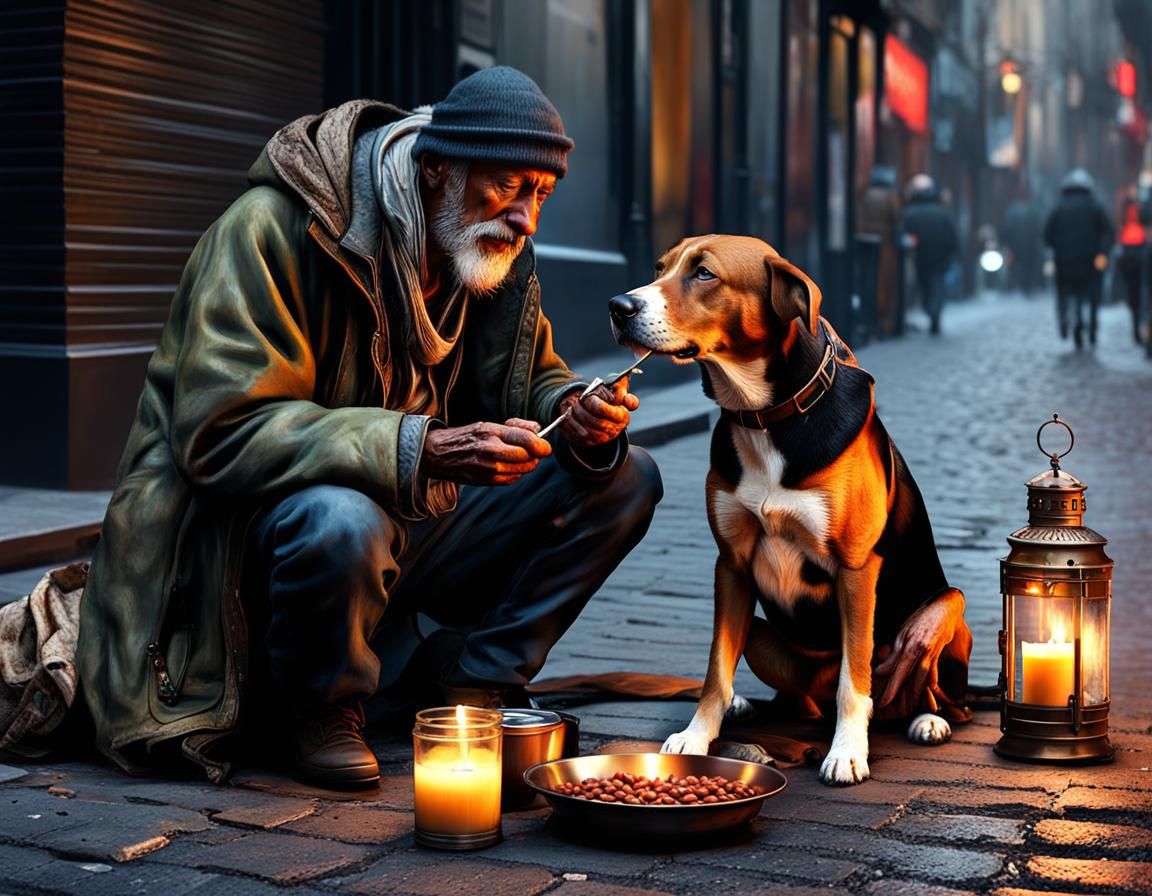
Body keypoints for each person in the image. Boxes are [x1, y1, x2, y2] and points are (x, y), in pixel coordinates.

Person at [74, 66, 664, 788]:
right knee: (342, 518)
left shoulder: (485, 247)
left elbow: (533, 379)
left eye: (541, 194)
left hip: (411, 516)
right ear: (438, 167)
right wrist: (421, 444)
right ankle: (320, 707)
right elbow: (221, 430)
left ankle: (471, 684)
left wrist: (572, 413)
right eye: (508, 186)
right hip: (243, 546)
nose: (526, 218)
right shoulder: (275, 228)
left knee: (624, 476)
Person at [1043, 168, 1113, 349]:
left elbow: (1047, 234)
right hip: (1090, 261)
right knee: (1092, 295)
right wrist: (1102, 252)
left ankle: (1065, 320)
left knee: (1064, 293)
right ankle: (1092, 328)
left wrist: (1056, 248)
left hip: (1065, 261)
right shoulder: (1095, 206)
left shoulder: (1059, 207)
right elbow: (1109, 232)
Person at [901, 174, 958, 335]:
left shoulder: (910, 213)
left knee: (925, 286)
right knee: (937, 287)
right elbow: (951, 236)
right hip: (940, 257)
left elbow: (906, 235)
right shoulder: (942, 213)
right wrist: (952, 252)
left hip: (920, 257)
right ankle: (935, 314)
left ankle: (931, 311)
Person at [856, 165, 902, 340]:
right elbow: (896, 219)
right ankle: (882, 323)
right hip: (885, 245)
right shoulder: (890, 197)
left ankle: (867, 322)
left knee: (868, 282)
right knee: (884, 284)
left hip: (866, 242)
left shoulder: (866, 195)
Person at [1001, 184, 1044, 298]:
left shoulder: (1025, 209)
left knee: (1025, 266)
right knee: (1025, 266)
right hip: (1022, 245)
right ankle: (1025, 286)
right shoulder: (1027, 209)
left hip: (1025, 245)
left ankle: (1026, 286)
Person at [1116, 191, 1147, 345]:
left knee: (1138, 296)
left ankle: (1140, 330)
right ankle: (1138, 331)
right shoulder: (1125, 219)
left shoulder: (1141, 214)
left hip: (1138, 256)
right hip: (1133, 257)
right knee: (1136, 296)